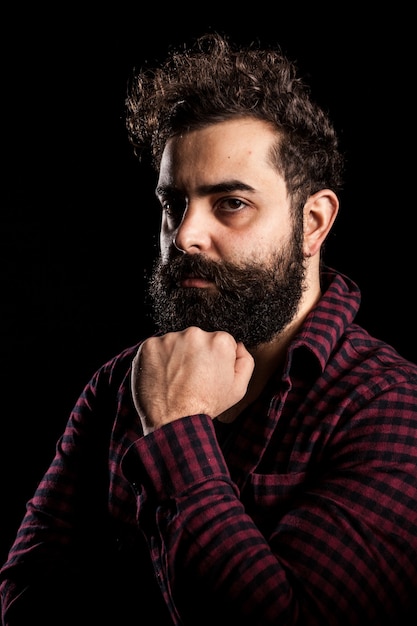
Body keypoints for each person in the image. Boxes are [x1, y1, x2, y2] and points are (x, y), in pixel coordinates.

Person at [1, 31, 416, 626]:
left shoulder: (388, 408)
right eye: (174, 204)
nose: (186, 236)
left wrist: (177, 424)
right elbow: (26, 599)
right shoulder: (121, 383)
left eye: (231, 204)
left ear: (314, 222)